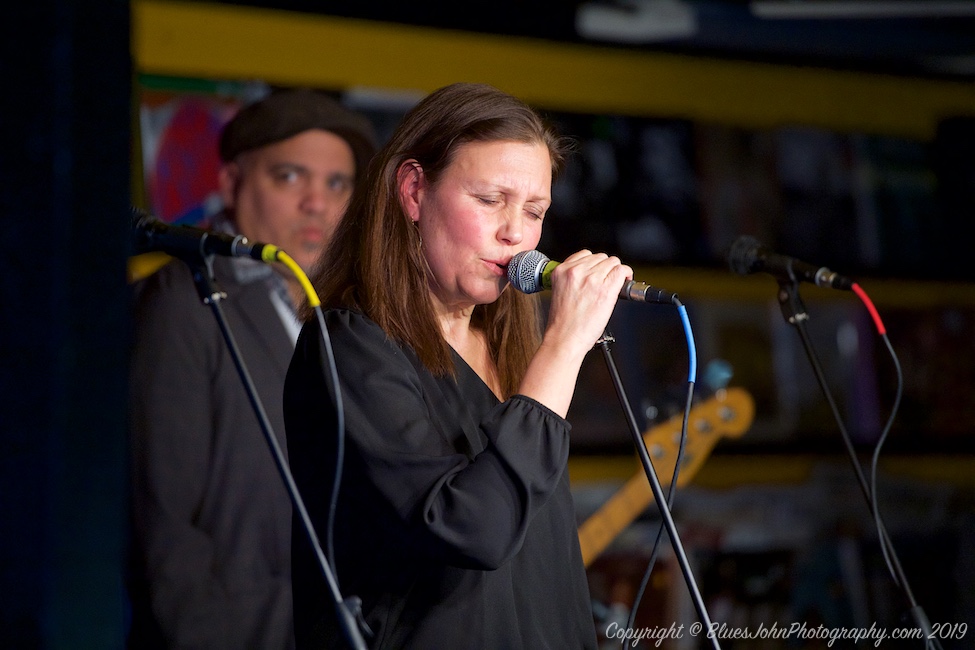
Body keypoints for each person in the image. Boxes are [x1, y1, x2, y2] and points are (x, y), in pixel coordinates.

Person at [285, 82, 633, 649]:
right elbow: (474, 529)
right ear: (414, 190)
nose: (516, 233)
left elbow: (545, 565)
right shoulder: (349, 346)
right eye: (490, 200)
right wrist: (565, 345)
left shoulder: (511, 348)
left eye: (535, 210)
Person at [128, 88, 377, 649]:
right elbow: (163, 523)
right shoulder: (186, 297)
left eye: (337, 184)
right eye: (290, 177)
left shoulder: (346, 316)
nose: (317, 203)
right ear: (231, 184)